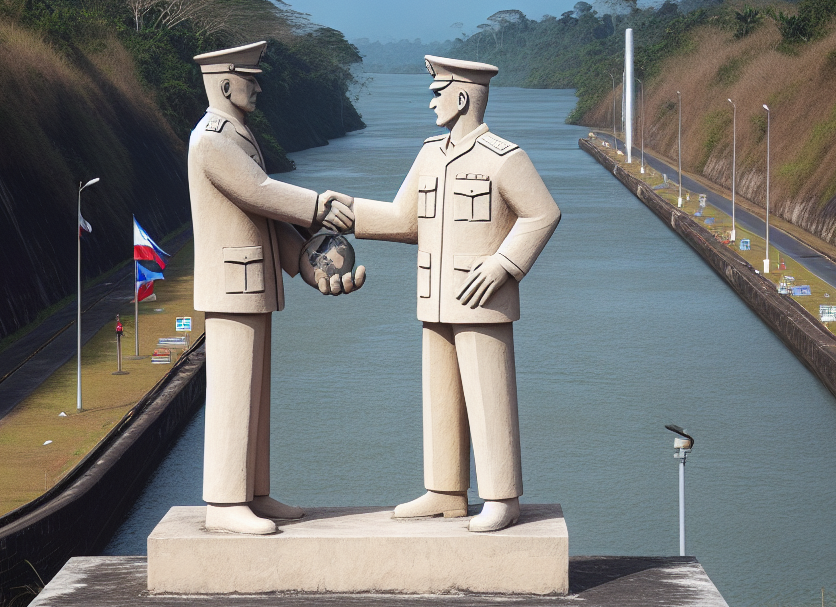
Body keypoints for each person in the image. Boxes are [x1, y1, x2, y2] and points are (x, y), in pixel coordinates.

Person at [326, 56, 560, 532]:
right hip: (435, 296)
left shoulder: (503, 157)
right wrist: (349, 211)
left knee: (489, 397)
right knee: (441, 398)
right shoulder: (430, 154)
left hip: (481, 299)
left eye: (438, 93)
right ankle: (445, 491)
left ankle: (502, 497)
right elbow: (403, 218)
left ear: (462, 97)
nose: (432, 102)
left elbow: (543, 213)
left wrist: (504, 264)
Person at [188, 41, 359, 535]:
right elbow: (259, 192)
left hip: (250, 283)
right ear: (225, 84)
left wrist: (308, 265)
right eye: (251, 79)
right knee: (233, 393)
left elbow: (261, 218)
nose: (258, 87)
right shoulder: (212, 139)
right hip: (231, 287)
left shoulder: (238, 135)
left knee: (253, 396)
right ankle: (225, 502)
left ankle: (254, 492)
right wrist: (319, 206)